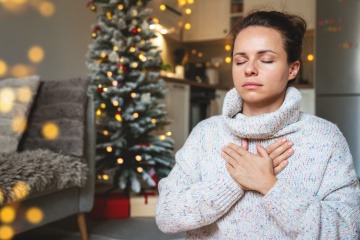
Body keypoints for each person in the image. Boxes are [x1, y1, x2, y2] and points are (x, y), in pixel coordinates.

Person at [156, 10, 360, 239]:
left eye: (266, 60)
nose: (249, 69)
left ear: (292, 69)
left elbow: (346, 230)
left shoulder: (325, 137)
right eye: (240, 60)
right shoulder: (205, 134)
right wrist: (233, 181)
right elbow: (166, 215)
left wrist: (269, 185)